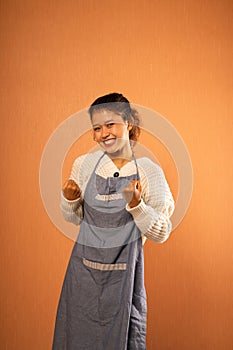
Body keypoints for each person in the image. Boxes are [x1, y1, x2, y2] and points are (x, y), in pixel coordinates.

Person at [52, 92, 175, 350]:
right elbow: (72, 218)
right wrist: (70, 200)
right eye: (97, 128)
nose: (103, 133)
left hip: (124, 282)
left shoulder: (148, 171)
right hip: (82, 278)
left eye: (111, 124)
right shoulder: (84, 165)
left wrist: (136, 206)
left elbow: (162, 232)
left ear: (128, 122)